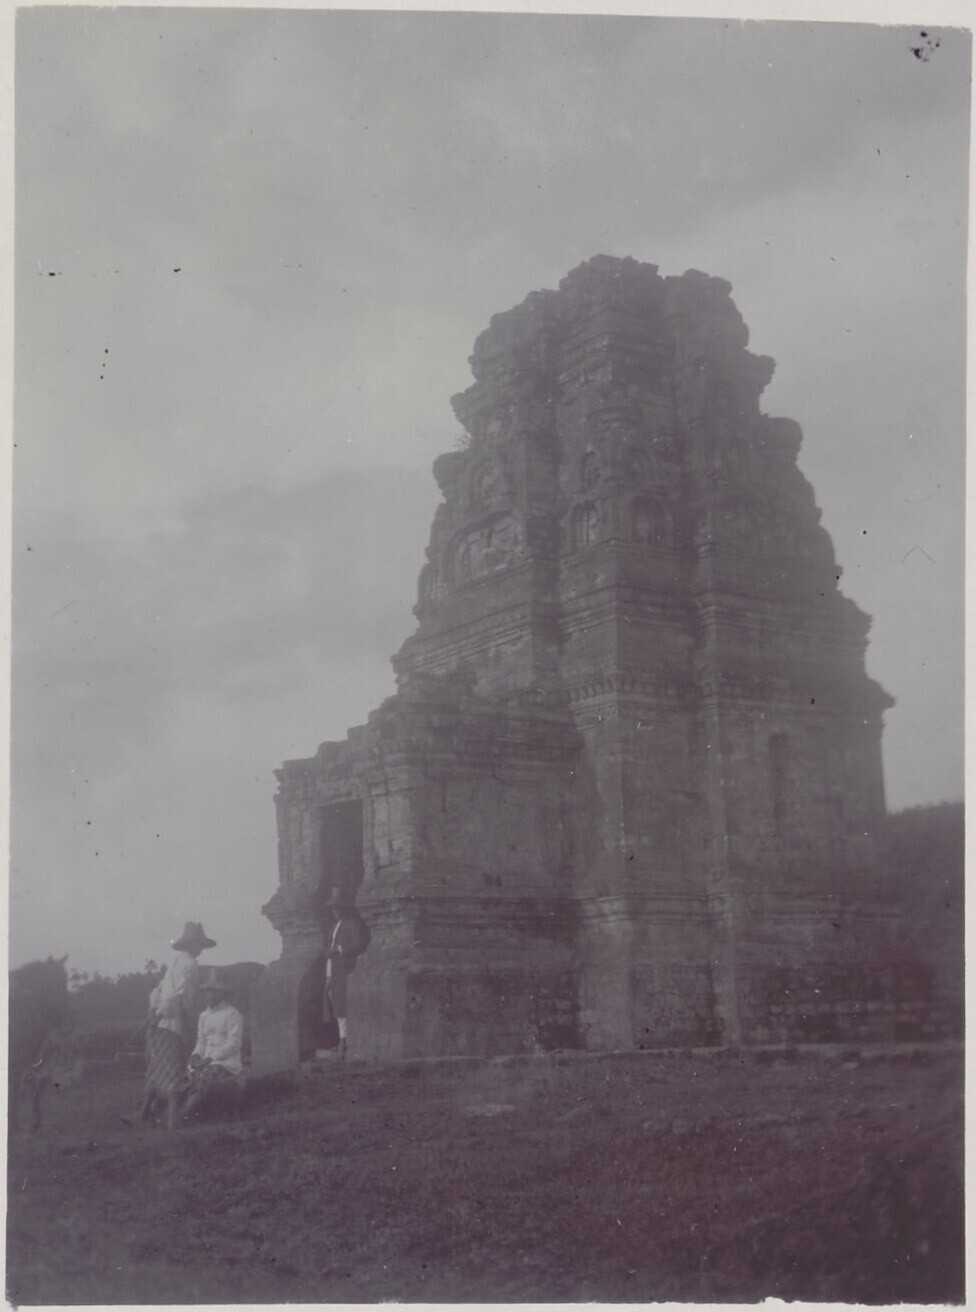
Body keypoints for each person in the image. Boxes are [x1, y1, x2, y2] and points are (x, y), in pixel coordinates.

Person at [130, 921, 216, 1129]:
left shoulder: (177, 960)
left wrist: (155, 1010)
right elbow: (178, 992)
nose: (200, 949)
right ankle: (171, 1120)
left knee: (158, 1069)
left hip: (162, 1021)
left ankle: (149, 1115)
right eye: (197, 944)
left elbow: (162, 989)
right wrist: (157, 1011)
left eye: (201, 945)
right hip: (172, 1021)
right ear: (189, 944)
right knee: (172, 1069)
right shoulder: (190, 963)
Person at [182, 971, 244, 1120]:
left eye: (212, 991)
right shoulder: (204, 1016)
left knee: (204, 1075)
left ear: (221, 994)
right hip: (205, 1061)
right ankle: (173, 1110)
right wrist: (195, 1056)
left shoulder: (233, 1014)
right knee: (186, 1075)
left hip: (225, 1063)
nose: (208, 995)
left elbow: (234, 1044)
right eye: (207, 991)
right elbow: (201, 1042)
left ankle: (183, 1115)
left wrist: (210, 1058)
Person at [317, 886, 369, 1060]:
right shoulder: (334, 926)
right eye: (333, 908)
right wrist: (327, 951)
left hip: (343, 969)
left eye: (338, 907)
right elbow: (330, 946)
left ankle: (343, 1042)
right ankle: (341, 1039)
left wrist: (339, 950)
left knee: (341, 1006)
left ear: (344, 908)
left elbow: (358, 943)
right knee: (333, 1005)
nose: (335, 911)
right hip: (332, 970)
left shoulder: (351, 924)